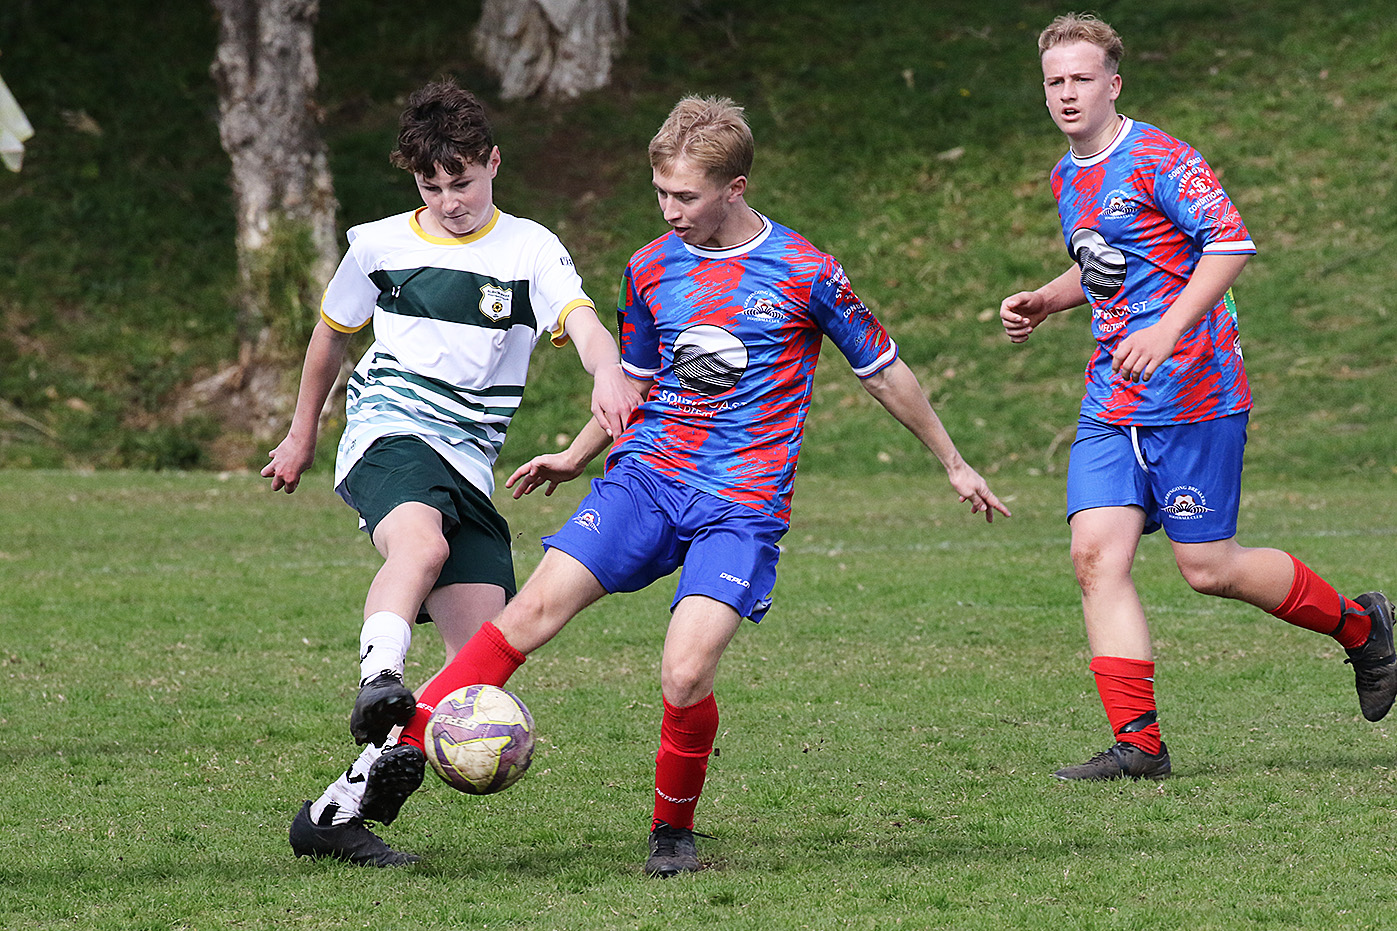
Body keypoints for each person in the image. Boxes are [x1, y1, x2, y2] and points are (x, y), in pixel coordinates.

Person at [342, 94, 1010, 876]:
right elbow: (635, 379)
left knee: (684, 670)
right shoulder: (650, 268)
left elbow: (882, 372)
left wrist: (953, 460)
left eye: (685, 196)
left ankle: (672, 831)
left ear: (735, 186)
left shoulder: (803, 270)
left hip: (741, 502)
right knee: (529, 613)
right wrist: (575, 452)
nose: (668, 211)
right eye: (660, 193)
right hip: (647, 479)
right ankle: (357, 792)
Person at [999, 13, 1394, 781]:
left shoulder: (1159, 157)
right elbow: (1109, 263)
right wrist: (1048, 298)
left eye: (1083, 78)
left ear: (1113, 83)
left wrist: (1170, 329)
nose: (1068, 93)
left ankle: (1361, 625)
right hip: (1112, 397)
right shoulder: (1066, 175)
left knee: (1207, 567)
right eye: (1055, 81)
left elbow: (1229, 242)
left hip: (1195, 389)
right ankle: (1138, 745)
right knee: (1094, 556)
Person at [261, 79, 638, 865]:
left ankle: (336, 810)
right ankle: (378, 677)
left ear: (493, 163)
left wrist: (606, 374)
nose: (448, 200)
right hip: (388, 431)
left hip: (470, 460)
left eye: (461, 181)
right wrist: (301, 434)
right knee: (420, 548)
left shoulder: (529, 248)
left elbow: (583, 323)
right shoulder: (377, 245)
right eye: (431, 186)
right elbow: (330, 339)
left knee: (476, 674)